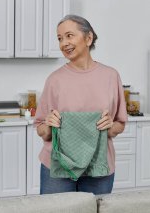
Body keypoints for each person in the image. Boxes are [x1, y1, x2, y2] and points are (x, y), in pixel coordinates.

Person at [34, 14, 127, 195]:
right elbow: (41, 129)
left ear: (89, 38)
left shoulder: (111, 76)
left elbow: (119, 124)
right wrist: (49, 124)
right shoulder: (55, 80)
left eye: (69, 35)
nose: (63, 43)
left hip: (98, 166)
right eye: (60, 38)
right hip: (58, 167)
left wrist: (109, 126)